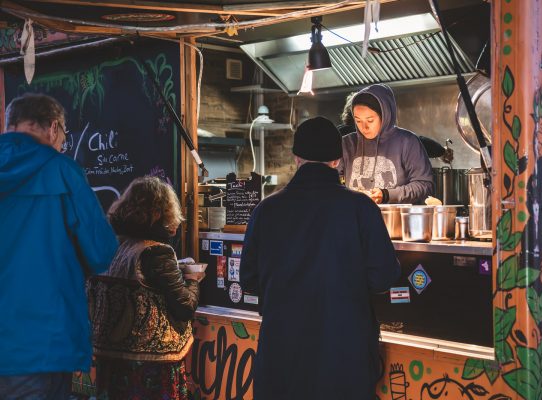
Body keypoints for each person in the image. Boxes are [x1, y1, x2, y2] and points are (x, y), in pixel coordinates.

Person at [240, 116, 401, 400]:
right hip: (344, 356)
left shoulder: (266, 211)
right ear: (338, 160)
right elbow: (384, 277)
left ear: (296, 158)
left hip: (282, 355)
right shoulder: (361, 208)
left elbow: (249, 281)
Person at [0, 93, 118, 399]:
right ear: (53, 127)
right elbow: (101, 251)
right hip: (43, 344)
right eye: (64, 135)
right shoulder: (62, 171)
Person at [87, 176, 204, 400]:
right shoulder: (157, 252)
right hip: (149, 363)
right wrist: (193, 279)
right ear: (163, 212)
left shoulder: (114, 245)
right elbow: (185, 307)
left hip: (110, 358)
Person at [339, 83, 434, 204]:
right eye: (358, 120)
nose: (364, 127)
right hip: (354, 219)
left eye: (370, 120)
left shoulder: (408, 142)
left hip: (395, 220)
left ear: (385, 115)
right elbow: (330, 183)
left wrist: (386, 194)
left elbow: (424, 185)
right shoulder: (346, 144)